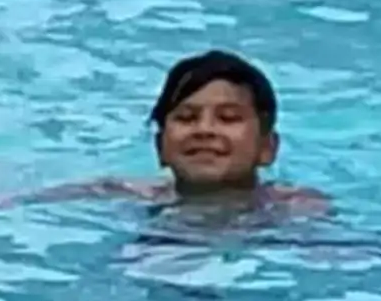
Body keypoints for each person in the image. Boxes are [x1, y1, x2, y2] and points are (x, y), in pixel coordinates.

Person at [20, 49, 328, 216]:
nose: (204, 130)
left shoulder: (293, 210)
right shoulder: (134, 195)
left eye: (228, 118)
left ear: (267, 148)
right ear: (161, 147)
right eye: (186, 117)